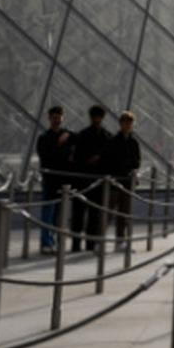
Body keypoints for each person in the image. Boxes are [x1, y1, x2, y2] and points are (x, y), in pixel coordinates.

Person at [72, 105, 113, 250]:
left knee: (93, 214)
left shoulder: (103, 136)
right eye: (94, 116)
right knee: (80, 213)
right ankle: (77, 244)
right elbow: (76, 157)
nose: (96, 119)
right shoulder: (104, 136)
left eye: (98, 117)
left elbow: (109, 159)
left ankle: (89, 243)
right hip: (87, 180)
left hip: (93, 180)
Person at [35, 106, 73, 254]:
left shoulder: (67, 135)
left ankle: (55, 241)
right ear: (49, 118)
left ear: (62, 118)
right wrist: (60, 146)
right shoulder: (43, 138)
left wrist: (67, 136)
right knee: (48, 213)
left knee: (59, 214)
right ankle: (46, 242)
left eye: (59, 117)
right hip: (51, 180)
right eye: (54, 117)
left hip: (62, 181)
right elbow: (47, 158)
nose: (57, 120)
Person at [108, 110, 141, 251]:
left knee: (124, 213)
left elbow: (137, 161)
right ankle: (99, 239)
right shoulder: (114, 141)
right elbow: (110, 160)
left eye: (130, 122)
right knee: (108, 211)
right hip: (116, 181)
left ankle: (120, 240)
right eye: (125, 122)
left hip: (127, 181)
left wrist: (131, 167)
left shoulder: (134, 142)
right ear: (121, 123)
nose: (127, 125)